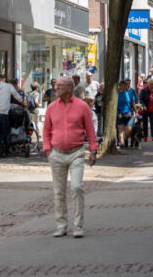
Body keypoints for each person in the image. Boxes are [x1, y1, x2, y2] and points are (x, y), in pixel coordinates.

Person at [43, 76, 97, 238]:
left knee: (76, 187)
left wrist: (93, 150)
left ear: (69, 88)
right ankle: (61, 225)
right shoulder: (52, 107)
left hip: (76, 153)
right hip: (57, 154)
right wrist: (47, 149)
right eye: (56, 86)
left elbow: (90, 130)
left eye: (60, 86)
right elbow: (46, 130)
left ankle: (78, 225)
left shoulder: (82, 107)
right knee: (59, 191)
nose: (56, 88)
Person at [0, 75, 25, 158]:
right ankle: (1, 148)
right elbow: (16, 96)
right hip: (3, 113)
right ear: (4, 80)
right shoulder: (9, 86)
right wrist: (23, 102)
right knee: (6, 132)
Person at [116, 81, 136, 149]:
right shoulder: (117, 94)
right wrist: (118, 113)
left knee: (128, 130)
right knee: (120, 130)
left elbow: (133, 103)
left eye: (125, 85)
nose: (124, 87)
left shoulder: (130, 93)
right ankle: (122, 144)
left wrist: (136, 112)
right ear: (120, 86)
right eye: (122, 85)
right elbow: (114, 105)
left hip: (129, 114)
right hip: (120, 114)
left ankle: (125, 139)